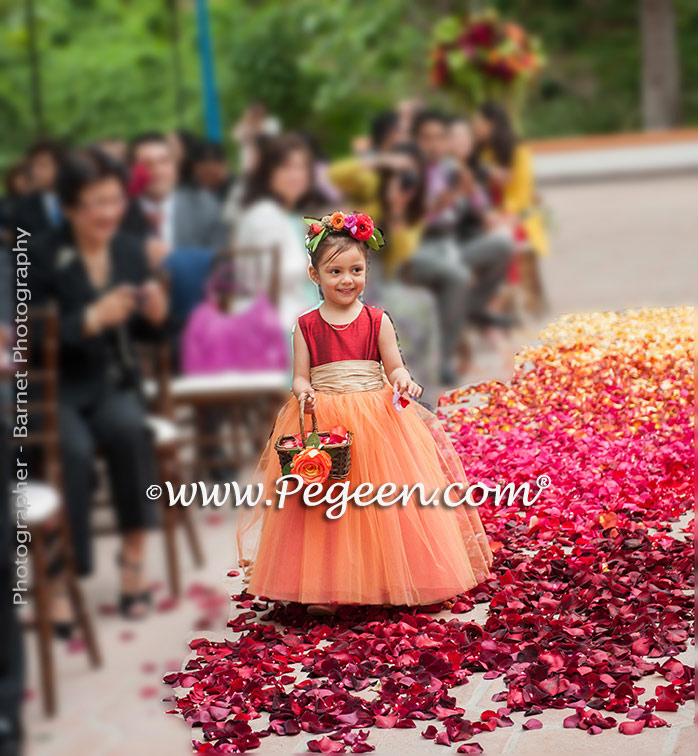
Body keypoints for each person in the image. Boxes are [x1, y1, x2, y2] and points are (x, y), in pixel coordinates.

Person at [237, 211, 493, 613]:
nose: (346, 279)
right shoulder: (305, 326)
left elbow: (394, 366)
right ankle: (324, 587)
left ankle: (392, 578)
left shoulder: (377, 320)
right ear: (314, 274)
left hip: (376, 415)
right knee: (325, 503)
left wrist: (404, 381)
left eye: (356, 269)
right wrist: (303, 393)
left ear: (366, 272)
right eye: (335, 271)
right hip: (325, 417)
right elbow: (300, 377)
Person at [30, 147, 168, 626]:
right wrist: (88, 319)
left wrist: (154, 314)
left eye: (115, 200)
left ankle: (133, 562)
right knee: (67, 450)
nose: (109, 213)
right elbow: (27, 336)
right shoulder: (38, 253)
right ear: (68, 206)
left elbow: (149, 335)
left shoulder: (130, 250)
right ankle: (59, 575)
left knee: (131, 432)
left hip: (110, 381)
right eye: (95, 203)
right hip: (56, 386)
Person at [235, 133, 322, 331]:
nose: (296, 175)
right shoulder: (264, 215)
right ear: (269, 172)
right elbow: (272, 274)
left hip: (292, 314)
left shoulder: (288, 215)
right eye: (286, 167)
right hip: (275, 325)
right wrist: (324, 266)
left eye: (301, 167)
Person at [121, 132, 228, 269]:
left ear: (176, 166)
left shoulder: (204, 206)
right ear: (132, 170)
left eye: (164, 161)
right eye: (147, 164)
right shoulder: (120, 212)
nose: (157, 170)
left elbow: (220, 266)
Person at [472, 102, 549, 258]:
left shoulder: (519, 151)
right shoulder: (480, 153)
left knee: (503, 237)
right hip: (489, 216)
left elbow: (522, 193)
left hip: (516, 216)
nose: (474, 128)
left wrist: (504, 216)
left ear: (491, 124)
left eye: (477, 123)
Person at [10, 139, 66, 239]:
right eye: (33, 166)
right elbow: (20, 247)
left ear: (59, 166)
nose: (36, 171)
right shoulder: (24, 207)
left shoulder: (76, 200)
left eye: (43, 165)